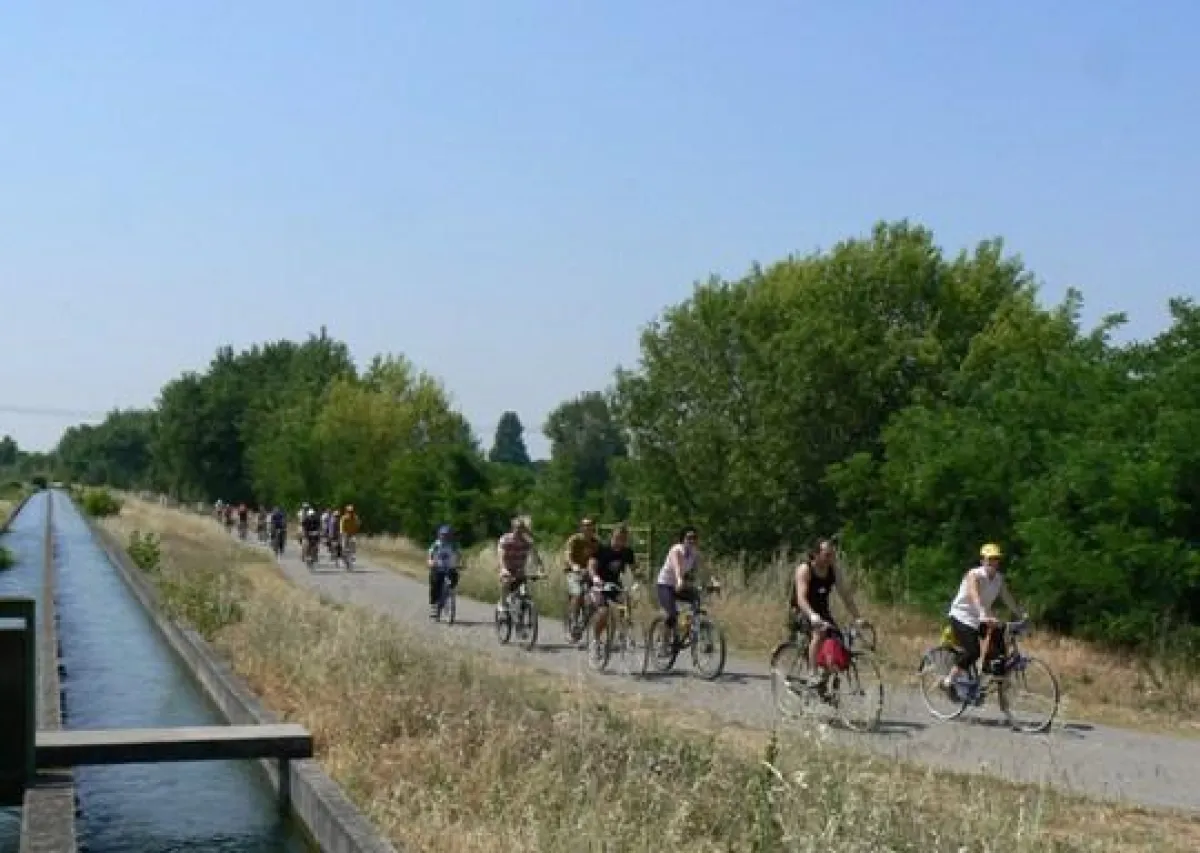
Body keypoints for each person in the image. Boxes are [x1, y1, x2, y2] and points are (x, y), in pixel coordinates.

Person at [941, 543, 1027, 700]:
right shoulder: (974, 575)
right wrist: (981, 612)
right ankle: (949, 681)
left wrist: (1020, 614)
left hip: (982, 617)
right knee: (973, 652)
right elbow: (974, 594)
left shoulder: (999, 579)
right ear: (982, 561)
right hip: (962, 617)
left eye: (996, 559)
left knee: (1000, 638)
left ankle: (988, 673)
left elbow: (1007, 598)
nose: (993, 563)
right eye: (990, 559)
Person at [790, 539, 865, 684]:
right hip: (801, 610)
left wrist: (857, 617)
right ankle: (812, 673)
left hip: (822, 612)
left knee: (838, 638)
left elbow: (845, 595)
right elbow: (801, 599)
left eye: (832, 555)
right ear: (815, 554)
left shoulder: (833, 570)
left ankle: (825, 676)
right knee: (819, 633)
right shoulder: (805, 570)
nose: (830, 558)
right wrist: (812, 616)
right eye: (827, 555)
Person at [587, 524, 637, 653]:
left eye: (623, 539)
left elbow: (634, 568)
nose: (620, 542)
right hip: (598, 585)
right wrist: (595, 578)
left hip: (614, 585)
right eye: (617, 538)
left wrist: (637, 580)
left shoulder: (627, 552)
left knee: (626, 601)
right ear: (612, 536)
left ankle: (623, 632)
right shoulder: (602, 550)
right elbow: (591, 565)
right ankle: (596, 640)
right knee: (604, 612)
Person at [655, 526, 702, 650]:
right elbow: (677, 568)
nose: (692, 540)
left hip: (680, 585)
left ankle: (690, 630)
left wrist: (713, 581)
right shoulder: (676, 550)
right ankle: (663, 643)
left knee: (696, 600)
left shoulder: (695, 553)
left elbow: (701, 571)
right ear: (683, 539)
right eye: (689, 538)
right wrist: (680, 579)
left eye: (694, 538)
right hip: (665, 585)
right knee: (671, 614)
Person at [563, 517, 600, 641]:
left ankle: (585, 622)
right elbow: (568, 554)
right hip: (574, 572)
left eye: (590, 526)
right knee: (578, 593)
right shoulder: (574, 540)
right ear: (581, 527)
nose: (588, 528)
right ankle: (573, 622)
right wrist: (573, 565)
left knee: (597, 597)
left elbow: (600, 557)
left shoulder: (596, 542)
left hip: (589, 573)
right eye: (585, 525)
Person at [496, 516, 536, 614]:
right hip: (507, 569)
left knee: (524, 592)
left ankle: (521, 613)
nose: (519, 530)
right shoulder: (505, 539)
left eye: (521, 527)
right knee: (506, 582)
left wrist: (540, 569)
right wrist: (504, 568)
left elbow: (535, 556)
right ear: (513, 528)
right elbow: (501, 555)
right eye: (517, 527)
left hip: (519, 570)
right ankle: (503, 603)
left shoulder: (527, 541)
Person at [427, 524, 461, 618]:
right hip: (438, 568)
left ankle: (448, 596)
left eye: (447, 535)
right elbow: (430, 553)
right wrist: (430, 561)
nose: (445, 536)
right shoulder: (436, 544)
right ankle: (434, 605)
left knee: (454, 580)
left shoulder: (454, 545)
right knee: (435, 584)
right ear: (439, 535)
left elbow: (458, 555)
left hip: (450, 568)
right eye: (443, 534)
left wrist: (459, 563)